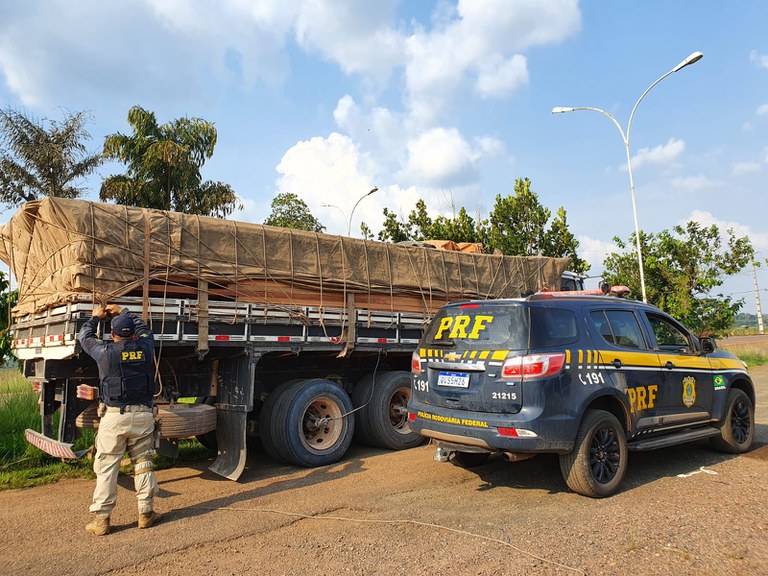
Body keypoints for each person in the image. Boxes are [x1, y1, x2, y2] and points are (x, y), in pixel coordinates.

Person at [77, 303, 161, 536]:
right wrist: (123, 311)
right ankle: (146, 513)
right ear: (133, 335)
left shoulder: (104, 352)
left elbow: (85, 337)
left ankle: (102, 519)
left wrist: (95, 317)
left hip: (114, 418)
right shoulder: (145, 347)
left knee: (107, 467)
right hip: (143, 416)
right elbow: (144, 328)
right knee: (143, 464)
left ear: (112, 335)